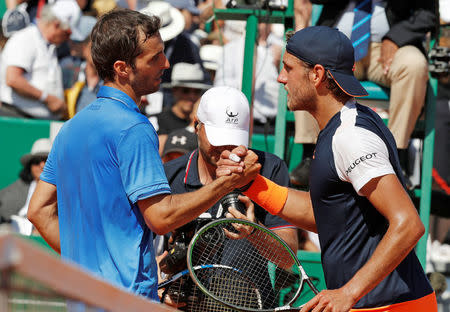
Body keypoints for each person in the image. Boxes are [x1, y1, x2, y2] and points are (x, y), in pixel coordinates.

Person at [27, 8, 259, 303]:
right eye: (155, 58)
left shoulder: (71, 128)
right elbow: (161, 217)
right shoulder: (134, 128)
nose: (166, 62)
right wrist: (227, 184)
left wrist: (88, 267)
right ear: (123, 68)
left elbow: (38, 211)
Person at [218, 26, 437, 311]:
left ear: (317, 74)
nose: (281, 77)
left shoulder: (351, 137)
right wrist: (252, 185)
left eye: (288, 68)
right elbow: (323, 211)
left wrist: (348, 292)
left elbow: (408, 224)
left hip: (390, 306)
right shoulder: (342, 129)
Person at [162, 86, 298, 308]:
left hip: (249, 304)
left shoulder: (270, 169)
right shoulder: (169, 175)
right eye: (218, 138)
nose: (226, 148)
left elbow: (287, 258)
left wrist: (254, 232)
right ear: (197, 125)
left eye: (234, 140)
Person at [290, 0, 437, 189]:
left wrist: (397, 37)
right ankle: (311, 155)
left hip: (392, 45)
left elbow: (428, 14)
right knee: (310, 62)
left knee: (414, 65)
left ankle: (395, 157)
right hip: (340, 43)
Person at [0, 1, 82, 120]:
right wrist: (47, 99)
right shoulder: (27, 38)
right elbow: (13, 79)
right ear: (56, 24)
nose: (68, 39)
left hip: (29, 121)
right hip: (17, 118)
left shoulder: (47, 45)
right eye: (67, 33)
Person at [149, 62, 211, 154]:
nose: (192, 96)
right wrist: (191, 126)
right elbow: (155, 152)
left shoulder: (205, 125)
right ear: (174, 90)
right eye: (185, 91)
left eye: (197, 91)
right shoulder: (156, 120)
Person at [0, 138, 51, 228]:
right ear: (30, 166)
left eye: (47, 160)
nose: (42, 165)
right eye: (36, 161)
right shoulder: (19, 186)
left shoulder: (63, 190)